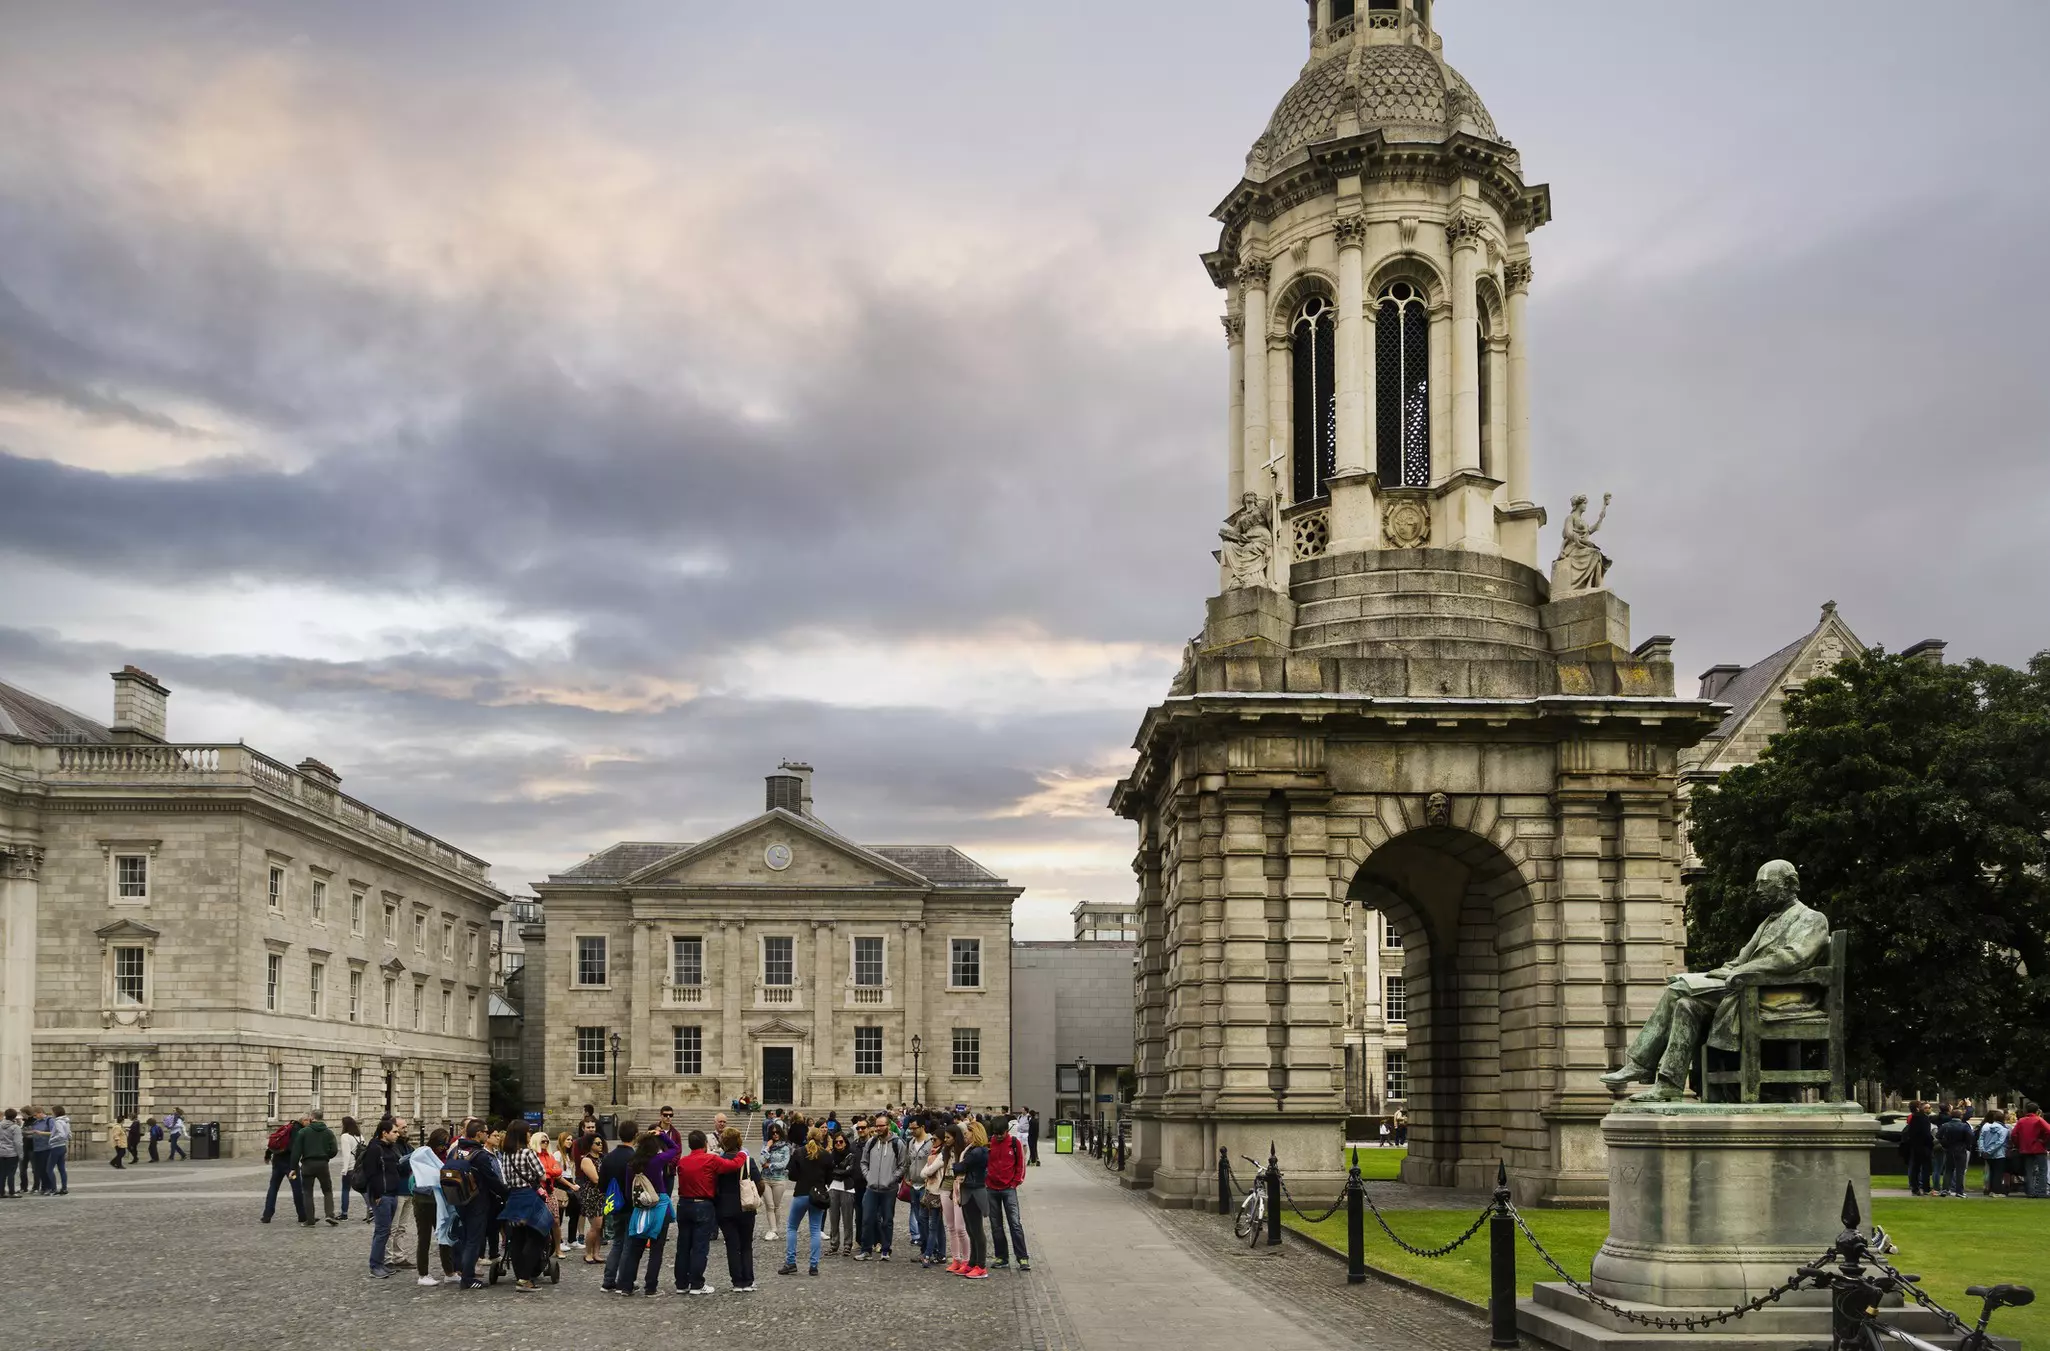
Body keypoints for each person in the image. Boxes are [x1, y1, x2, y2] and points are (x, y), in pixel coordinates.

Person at [1600, 860, 1828, 1101]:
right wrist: (1719, 972)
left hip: (1780, 996)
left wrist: (1738, 972)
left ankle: (1640, 1063)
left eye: (1765, 884)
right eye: (1758, 885)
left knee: (1677, 991)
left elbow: (1793, 957)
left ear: (1788, 885)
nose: (1759, 890)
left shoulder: (1812, 918)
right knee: (1686, 1005)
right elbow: (1741, 958)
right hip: (1748, 986)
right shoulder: (1770, 921)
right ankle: (1669, 1083)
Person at [674, 1128, 746, 1294]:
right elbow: (733, 1165)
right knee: (700, 1246)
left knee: (683, 1245)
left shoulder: (683, 1161)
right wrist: (742, 1154)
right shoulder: (710, 1160)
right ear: (705, 1144)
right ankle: (697, 1283)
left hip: (683, 1204)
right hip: (702, 1204)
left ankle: (681, 1283)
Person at [444, 1119, 504, 1289]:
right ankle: (468, 1278)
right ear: (479, 1134)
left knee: (462, 1236)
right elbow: (492, 1180)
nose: (487, 1134)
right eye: (486, 1132)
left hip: (459, 1199)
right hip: (477, 1202)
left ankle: (460, 1270)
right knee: (473, 1240)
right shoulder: (480, 1155)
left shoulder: (455, 1151)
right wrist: (507, 1193)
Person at [497, 1121, 555, 1292]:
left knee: (517, 1239)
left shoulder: (506, 1154)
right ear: (523, 1134)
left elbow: (505, 1180)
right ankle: (524, 1279)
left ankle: (520, 1275)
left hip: (514, 1198)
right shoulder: (527, 1153)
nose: (530, 1134)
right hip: (529, 1197)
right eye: (528, 1131)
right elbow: (542, 1175)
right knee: (537, 1236)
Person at [712, 1126, 763, 1293]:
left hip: (725, 1209)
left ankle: (737, 1282)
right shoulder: (748, 1161)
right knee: (746, 1245)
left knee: (732, 1245)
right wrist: (755, 1197)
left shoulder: (718, 1161)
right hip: (746, 1208)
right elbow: (760, 1184)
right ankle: (748, 1281)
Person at [778, 1124, 831, 1277]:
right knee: (815, 1230)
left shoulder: (799, 1152)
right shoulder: (826, 1155)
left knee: (792, 1227)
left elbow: (792, 1175)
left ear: (807, 1138)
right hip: (818, 1195)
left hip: (801, 1193)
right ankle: (813, 1266)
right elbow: (829, 1177)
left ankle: (791, 1262)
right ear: (821, 1138)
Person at [361, 1116, 409, 1279]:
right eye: (394, 1132)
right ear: (384, 1133)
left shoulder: (390, 1147)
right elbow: (371, 1173)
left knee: (386, 1230)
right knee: (381, 1231)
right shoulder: (375, 1148)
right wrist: (376, 1195)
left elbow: (394, 1169)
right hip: (381, 1195)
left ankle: (381, 1263)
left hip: (392, 1193)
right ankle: (375, 1265)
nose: (397, 1134)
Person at [406, 1126, 455, 1285]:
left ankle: (449, 1271)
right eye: (444, 1144)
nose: (445, 1147)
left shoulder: (444, 1156)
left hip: (440, 1200)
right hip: (425, 1200)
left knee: (444, 1235)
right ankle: (423, 1274)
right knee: (424, 1237)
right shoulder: (423, 1154)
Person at [596, 1122, 641, 1290]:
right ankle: (624, 1280)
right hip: (631, 1206)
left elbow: (601, 1186)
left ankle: (608, 1280)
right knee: (629, 1245)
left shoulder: (608, 1157)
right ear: (636, 1135)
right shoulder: (635, 1158)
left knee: (617, 1243)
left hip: (615, 1205)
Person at [856, 1112, 905, 1261]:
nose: (878, 1128)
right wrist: (868, 1176)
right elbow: (864, 1162)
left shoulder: (898, 1144)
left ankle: (885, 1249)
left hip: (889, 1189)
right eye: (877, 1126)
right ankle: (866, 1250)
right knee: (867, 1219)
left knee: (887, 1220)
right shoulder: (871, 1143)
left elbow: (903, 1165)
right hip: (871, 1188)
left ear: (888, 1126)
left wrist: (892, 1178)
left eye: (881, 1125)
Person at [984, 1117, 1031, 1271]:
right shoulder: (989, 1143)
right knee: (996, 1225)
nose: (998, 1136)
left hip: (1008, 1188)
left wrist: (1015, 1182)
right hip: (991, 1188)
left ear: (1007, 1131)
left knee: (1015, 1224)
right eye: (996, 1134)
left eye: (1001, 1134)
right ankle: (1002, 1257)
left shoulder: (1014, 1143)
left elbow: (1020, 1164)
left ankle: (1022, 1257)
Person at [291, 1110, 341, 1225]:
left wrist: (293, 1167)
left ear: (312, 1118)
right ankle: (329, 1214)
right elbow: (334, 1150)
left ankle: (310, 1219)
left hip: (307, 1164)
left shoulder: (303, 1132)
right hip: (322, 1164)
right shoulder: (328, 1132)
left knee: (308, 1192)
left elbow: (296, 1151)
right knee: (327, 1190)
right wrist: (326, 1156)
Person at [955, 1120, 991, 1278]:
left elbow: (961, 1167)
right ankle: (972, 1262)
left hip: (975, 1190)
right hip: (968, 1189)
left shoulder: (978, 1151)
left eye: (967, 1133)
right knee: (970, 1229)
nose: (965, 1136)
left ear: (974, 1133)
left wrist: (957, 1166)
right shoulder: (972, 1150)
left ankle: (981, 1265)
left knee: (977, 1230)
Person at [260, 1116, 302, 1222]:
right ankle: (302, 1215)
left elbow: (275, 1141)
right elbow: (293, 1149)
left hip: (277, 1163)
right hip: (290, 1166)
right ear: (303, 1121)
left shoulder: (287, 1127)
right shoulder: (298, 1131)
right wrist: (294, 1166)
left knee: (273, 1188)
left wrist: (268, 1155)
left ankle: (267, 1215)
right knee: (297, 1188)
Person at [918, 1123, 949, 1267]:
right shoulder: (934, 1154)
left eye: (935, 1140)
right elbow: (923, 1172)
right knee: (935, 1225)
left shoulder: (942, 1155)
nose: (932, 1142)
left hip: (937, 1193)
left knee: (933, 1226)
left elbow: (927, 1172)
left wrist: (928, 1168)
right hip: (929, 1192)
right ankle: (941, 1254)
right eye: (932, 1139)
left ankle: (928, 1254)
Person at [826, 1130, 858, 1257]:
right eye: (836, 1142)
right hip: (833, 1187)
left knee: (847, 1218)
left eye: (841, 1141)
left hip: (847, 1188)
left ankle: (847, 1244)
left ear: (845, 1142)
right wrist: (840, 1171)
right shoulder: (830, 1155)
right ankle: (834, 1245)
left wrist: (836, 1171)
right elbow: (828, 1170)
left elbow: (849, 1172)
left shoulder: (851, 1155)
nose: (838, 1144)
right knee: (833, 1218)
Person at [2010, 1102, 2049, 1199]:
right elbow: (2049, 1130)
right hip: (2039, 1148)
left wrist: (2019, 1144)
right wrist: (2044, 1141)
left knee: (2029, 1171)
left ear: (2026, 1111)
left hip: (2026, 1149)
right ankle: (2041, 1191)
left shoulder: (2021, 1121)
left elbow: (2014, 1134)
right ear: (2037, 1111)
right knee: (2042, 1170)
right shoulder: (2039, 1120)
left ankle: (2030, 1191)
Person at [759, 1124, 791, 1244]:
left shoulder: (785, 1147)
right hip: (765, 1179)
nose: (775, 1134)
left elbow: (784, 1164)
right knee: (769, 1205)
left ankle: (775, 1231)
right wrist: (767, 1148)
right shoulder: (766, 1145)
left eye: (777, 1132)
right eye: (773, 1133)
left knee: (776, 1206)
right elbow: (761, 1161)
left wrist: (770, 1165)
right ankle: (772, 1229)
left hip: (779, 1179)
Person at [1935, 1108, 1974, 1198]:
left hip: (1949, 1149)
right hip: (1961, 1150)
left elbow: (1938, 1136)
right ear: (1960, 1116)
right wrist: (1966, 1145)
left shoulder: (1945, 1125)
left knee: (1948, 1170)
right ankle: (1959, 1191)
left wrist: (1945, 1144)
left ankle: (1945, 1189)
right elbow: (1971, 1137)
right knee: (1960, 1171)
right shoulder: (1964, 1126)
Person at [1901, 1103, 1936, 1197]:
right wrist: (1931, 1143)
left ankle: (1915, 1188)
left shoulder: (1913, 1118)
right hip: (1924, 1147)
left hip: (1914, 1146)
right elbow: (1926, 1134)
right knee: (1925, 1169)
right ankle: (1926, 1188)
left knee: (1915, 1168)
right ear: (1918, 1108)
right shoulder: (1923, 1119)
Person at [335, 1117, 365, 1220]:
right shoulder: (360, 1136)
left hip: (351, 1167)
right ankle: (371, 1209)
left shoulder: (345, 1136)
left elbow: (346, 1154)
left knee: (345, 1190)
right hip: (360, 1166)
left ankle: (344, 1213)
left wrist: (345, 1169)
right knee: (363, 1189)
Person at [1978, 1109, 2010, 1197]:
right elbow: (2000, 1142)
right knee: (1998, 1173)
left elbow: (1981, 1139)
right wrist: (1990, 1151)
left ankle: (1990, 1189)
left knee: (1991, 1172)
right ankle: (1997, 1191)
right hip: (1999, 1154)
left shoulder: (1985, 1126)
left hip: (1986, 1153)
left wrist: (1983, 1150)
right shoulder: (2004, 1129)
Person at [47, 1108, 70, 1194]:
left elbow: (61, 1134)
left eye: (52, 1112)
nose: (52, 1113)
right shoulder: (66, 1121)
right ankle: (64, 1188)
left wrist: (51, 1140)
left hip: (56, 1147)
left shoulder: (57, 1122)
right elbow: (69, 1134)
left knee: (49, 1169)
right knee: (62, 1169)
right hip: (63, 1146)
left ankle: (54, 1189)